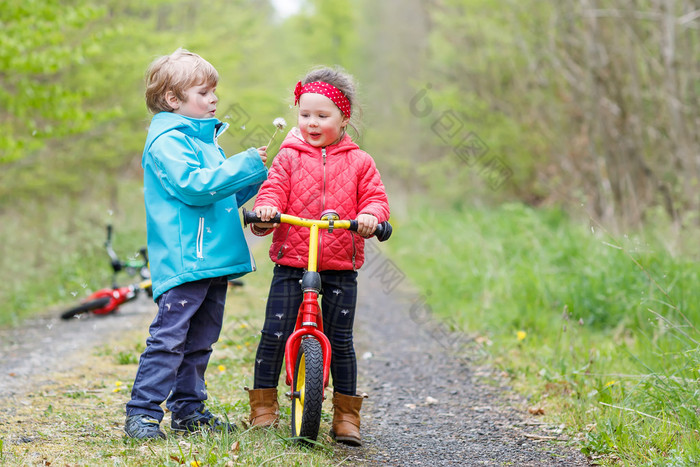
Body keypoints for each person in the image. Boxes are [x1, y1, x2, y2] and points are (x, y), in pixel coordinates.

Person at [124, 48, 268, 440]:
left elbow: (218, 199)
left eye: (214, 91)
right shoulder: (168, 142)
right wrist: (244, 164)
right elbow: (196, 187)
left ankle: (189, 410)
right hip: (187, 257)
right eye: (204, 92)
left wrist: (254, 179)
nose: (214, 99)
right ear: (174, 100)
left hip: (212, 257)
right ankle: (142, 413)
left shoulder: (203, 140)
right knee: (169, 339)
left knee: (201, 341)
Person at [246, 66, 390, 446]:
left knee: (340, 339)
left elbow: (375, 198)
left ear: (344, 118)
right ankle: (263, 406)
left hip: (341, 262)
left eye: (322, 116)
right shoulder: (288, 157)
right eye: (305, 114)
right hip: (293, 259)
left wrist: (371, 217)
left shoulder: (360, 161)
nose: (312, 123)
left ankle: (345, 416)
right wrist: (266, 212)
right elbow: (273, 191)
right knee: (275, 332)